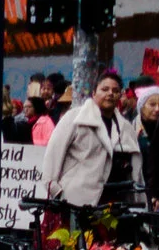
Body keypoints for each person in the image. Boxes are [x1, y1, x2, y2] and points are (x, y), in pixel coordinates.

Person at [40, 69, 142, 208]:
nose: (110, 94)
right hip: (76, 204)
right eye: (105, 89)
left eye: (115, 90)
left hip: (116, 205)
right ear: (94, 93)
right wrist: (58, 193)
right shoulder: (74, 118)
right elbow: (52, 158)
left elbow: (136, 170)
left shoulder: (126, 128)